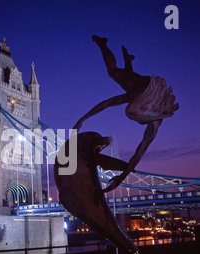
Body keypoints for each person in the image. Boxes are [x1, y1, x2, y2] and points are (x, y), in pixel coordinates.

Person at [73, 35, 179, 192]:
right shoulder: (135, 93)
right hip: (144, 87)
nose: (137, 123)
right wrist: (82, 119)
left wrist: (122, 177)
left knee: (124, 78)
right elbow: (107, 103)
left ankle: (128, 60)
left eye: (137, 121)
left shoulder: (154, 126)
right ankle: (103, 43)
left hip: (149, 94)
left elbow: (138, 154)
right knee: (113, 72)